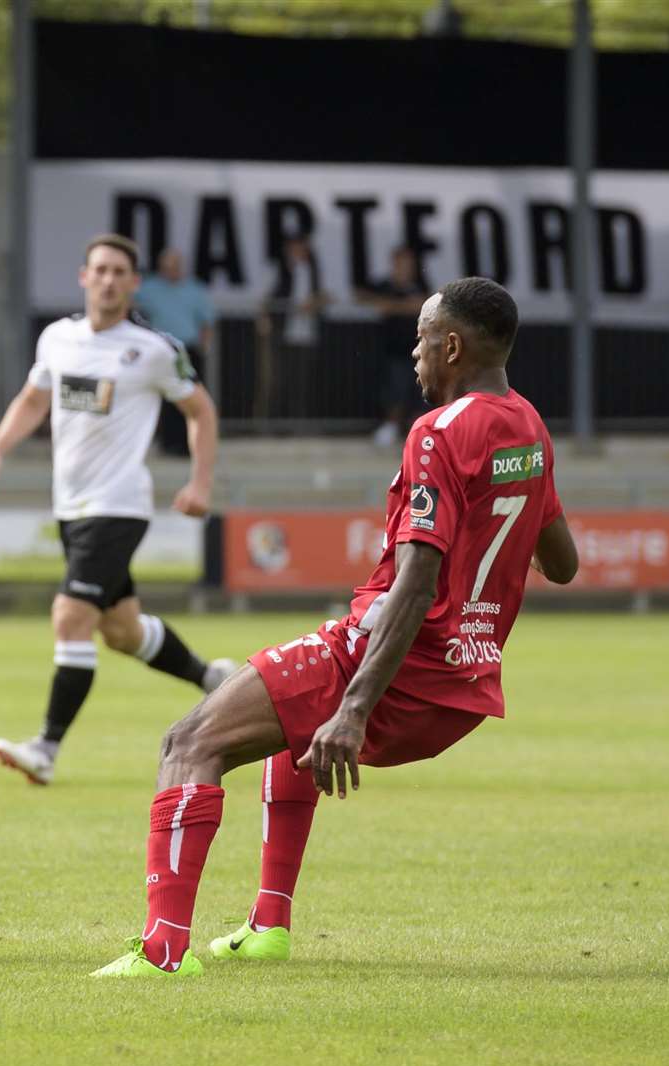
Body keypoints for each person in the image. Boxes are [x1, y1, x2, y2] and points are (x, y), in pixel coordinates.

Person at [91, 277, 580, 977]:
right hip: (463, 683)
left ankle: (164, 949)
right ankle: (268, 925)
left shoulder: (439, 431)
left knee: (188, 741)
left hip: (393, 659)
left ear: (451, 345)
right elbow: (561, 562)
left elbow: (416, 581)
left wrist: (353, 709)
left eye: (420, 337)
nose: (413, 353)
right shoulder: (530, 426)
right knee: (288, 736)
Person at [0, 233, 235, 787]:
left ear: (134, 283)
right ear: (84, 277)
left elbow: (201, 411)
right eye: (101, 269)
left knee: (71, 616)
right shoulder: (57, 339)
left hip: (119, 505)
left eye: (120, 271)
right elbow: (34, 398)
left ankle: (45, 748)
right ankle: (213, 677)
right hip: (71, 506)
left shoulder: (153, 349)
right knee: (120, 630)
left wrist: (200, 482)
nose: (110, 279)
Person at [133, 248, 216, 455]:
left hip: (187, 351)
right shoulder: (150, 288)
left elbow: (206, 321)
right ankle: (168, 443)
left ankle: (190, 445)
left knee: (190, 398)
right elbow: (129, 304)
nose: (171, 271)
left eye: (174, 266)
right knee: (165, 400)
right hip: (160, 350)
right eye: (166, 267)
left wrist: (205, 346)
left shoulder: (194, 289)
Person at [357, 245, 429, 446]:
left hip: (418, 350)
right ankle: (391, 427)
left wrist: (395, 307)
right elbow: (360, 296)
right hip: (393, 349)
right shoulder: (384, 285)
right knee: (395, 389)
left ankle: (418, 434)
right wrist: (399, 306)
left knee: (421, 392)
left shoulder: (418, 285)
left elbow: (424, 303)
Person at [256, 236, 329, 423]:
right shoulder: (277, 271)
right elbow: (264, 299)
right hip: (280, 333)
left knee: (302, 382)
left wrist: (315, 303)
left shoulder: (315, 272)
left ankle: (299, 422)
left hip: (306, 335)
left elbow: (327, 296)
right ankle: (269, 424)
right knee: (275, 381)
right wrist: (264, 318)